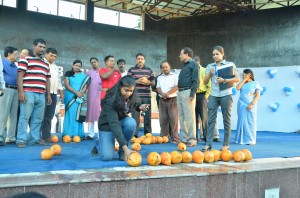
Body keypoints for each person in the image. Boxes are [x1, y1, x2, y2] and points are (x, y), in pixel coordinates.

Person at [95, 76, 149, 161]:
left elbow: (133, 104)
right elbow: (114, 124)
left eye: (131, 91)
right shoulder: (110, 100)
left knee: (130, 122)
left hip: (120, 123)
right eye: (126, 90)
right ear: (120, 87)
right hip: (107, 126)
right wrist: (126, 149)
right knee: (106, 157)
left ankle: (122, 151)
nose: (128, 93)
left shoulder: (130, 97)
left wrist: (140, 106)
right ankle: (100, 143)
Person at [202, 46, 240, 151]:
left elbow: (237, 79)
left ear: (222, 54)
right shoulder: (210, 66)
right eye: (213, 54)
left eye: (217, 54)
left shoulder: (230, 64)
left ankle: (225, 145)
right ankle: (208, 144)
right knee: (210, 120)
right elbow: (204, 82)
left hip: (226, 94)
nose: (215, 56)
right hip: (213, 95)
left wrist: (224, 80)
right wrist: (210, 73)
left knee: (226, 119)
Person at [16, 38, 52, 148]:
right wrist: (21, 92)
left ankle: (34, 139)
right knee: (24, 117)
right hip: (28, 93)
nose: (42, 49)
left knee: (38, 119)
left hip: (41, 94)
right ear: (34, 46)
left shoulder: (46, 63)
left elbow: (47, 80)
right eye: (40, 46)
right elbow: (20, 76)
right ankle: (21, 139)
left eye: (44, 47)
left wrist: (48, 95)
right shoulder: (25, 59)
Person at [128, 53, 155, 137]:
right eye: (138, 59)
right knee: (135, 116)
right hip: (136, 97)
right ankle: (134, 135)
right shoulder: (131, 70)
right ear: (136, 60)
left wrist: (148, 82)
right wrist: (137, 81)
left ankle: (148, 134)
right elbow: (128, 81)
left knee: (147, 116)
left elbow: (153, 83)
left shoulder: (149, 70)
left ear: (144, 60)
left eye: (141, 59)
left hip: (146, 96)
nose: (140, 60)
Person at [177, 47, 199, 147]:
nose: (179, 56)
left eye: (181, 54)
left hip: (187, 92)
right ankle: (185, 138)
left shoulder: (193, 64)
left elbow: (196, 81)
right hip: (180, 92)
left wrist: (192, 94)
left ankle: (192, 139)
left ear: (186, 54)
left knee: (189, 117)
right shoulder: (185, 66)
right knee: (182, 117)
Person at [62, 60, 90, 139]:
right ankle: (68, 134)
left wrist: (81, 93)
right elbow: (67, 85)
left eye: (79, 66)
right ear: (73, 65)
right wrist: (76, 92)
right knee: (70, 114)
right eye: (76, 65)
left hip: (79, 98)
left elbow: (86, 85)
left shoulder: (83, 76)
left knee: (77, 114)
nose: (77, 67)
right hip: (70, 97)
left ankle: (78, 135)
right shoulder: (68, 73)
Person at [41, 48, 64, 142]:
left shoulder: (55, 66)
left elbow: (58, 80)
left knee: (49, 116)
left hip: (54, 94)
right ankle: (36, 136)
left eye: (55, 56)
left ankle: (46, 136)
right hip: (43, 92)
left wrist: (61, 92)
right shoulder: (42, 63)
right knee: (40, 115)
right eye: (51, 55)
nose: (53, 57)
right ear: (46, 54)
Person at [235, 69, 261, 145]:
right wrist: (244, 80)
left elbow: (258, 95)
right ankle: (240, 139)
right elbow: (237, 88)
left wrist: (252, 104)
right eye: (242, 75)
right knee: (241, 121)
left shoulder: (255, 83)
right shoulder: (243, 83)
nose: (243, 76)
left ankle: (251, 140)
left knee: (250, 121)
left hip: (250, 104)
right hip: (241, 104)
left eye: (244, 75)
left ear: (250, 75)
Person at [156, 61, 179, 144]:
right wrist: (162, 94)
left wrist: (168, 94)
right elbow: (158, 88)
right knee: (163, 119)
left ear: (170, 67)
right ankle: (164, 137)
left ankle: (175, 138)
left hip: (172, 99)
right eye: (163, 67)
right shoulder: (159, 78)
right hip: (162, 100)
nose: (165, 68)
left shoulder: (175, 76)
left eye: (166, 67)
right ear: (161, 69)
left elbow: (177, 86)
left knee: (173, 119)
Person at [0, 46, 19, 146]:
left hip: (16, 90)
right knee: (3, 114)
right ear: (9, 54)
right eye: (15, 54)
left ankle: (10, 137)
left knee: (13, 115)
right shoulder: (2, 63)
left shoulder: (15, 66)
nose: (17, 56)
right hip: (5, 89)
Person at [194, 55, 211, 143]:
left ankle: (206, 137)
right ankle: (195, 138)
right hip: (193, 96)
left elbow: (209, 85)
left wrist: (206, 96)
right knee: (194, 118)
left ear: (199, 63)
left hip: (202, 95)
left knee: (204, 118)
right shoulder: (191, 71)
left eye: (196, 64)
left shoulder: (204, 70)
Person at [86, 57, 102, 140]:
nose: (93, 64)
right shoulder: (89, 72)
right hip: (91, 95)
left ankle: (100, 135)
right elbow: (86, 84)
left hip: (101, 96)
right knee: (91, 114)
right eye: (92, 62)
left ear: (98, 62)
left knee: (100, 115)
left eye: (95, 62)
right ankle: (91, 134)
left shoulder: (103, 71)